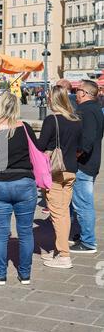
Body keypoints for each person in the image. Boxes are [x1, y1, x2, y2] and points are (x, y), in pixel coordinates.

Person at [0, 92, 38, 285]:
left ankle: (1, 274)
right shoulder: (25, 128)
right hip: (24, 183)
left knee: (1, 231)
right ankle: (25, 274)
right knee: (26, 231)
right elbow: (36, 151)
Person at [36, 86, 82, 268]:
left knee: (58, 214)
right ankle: (58, 252)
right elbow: (81, 147)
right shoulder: (76, 120)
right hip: (71, 171)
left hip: (55, 172)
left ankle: (64, 256)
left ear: (52, 100)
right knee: (63, 212)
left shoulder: (51, 120)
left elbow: (40, 146)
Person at [70, 80, 104, 254]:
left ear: (84, 93)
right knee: (82, 203)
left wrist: (76, 154)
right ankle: (83, 233)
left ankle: (88, 242)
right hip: (91, 162)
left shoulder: (86, 110)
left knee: (83, 204)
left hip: (84, 164)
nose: (75, 93)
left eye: (77, 90)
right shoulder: (96, 109)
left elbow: (88, 140)